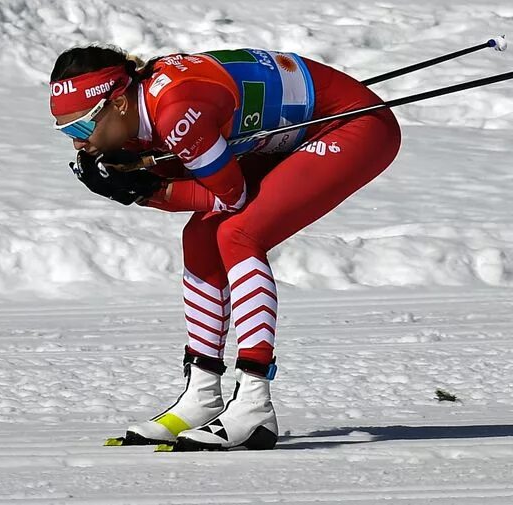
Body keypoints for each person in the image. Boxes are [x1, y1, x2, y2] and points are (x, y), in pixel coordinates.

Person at [49, 45, 401, 451]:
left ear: (119, 103)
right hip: (289, 131)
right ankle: (201, 394)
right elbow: (186, 173)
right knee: (199, 237)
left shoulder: (176, 110)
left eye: (80, 129)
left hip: (354, 126)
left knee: (238, 232)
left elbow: (227, 196)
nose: (78, 145)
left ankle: (254, 405)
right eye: (66, 132)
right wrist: (136, 176)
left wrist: (148, 191)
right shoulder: (141, 108)